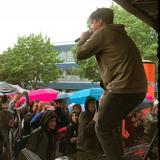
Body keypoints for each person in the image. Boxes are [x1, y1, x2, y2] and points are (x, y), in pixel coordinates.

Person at [76, 8, 147, 160]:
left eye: (92, 23)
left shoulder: (103, 32)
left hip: (122, 88)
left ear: (99, 21)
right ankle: (117, 156)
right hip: (138, 90)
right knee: (112, 124)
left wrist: (83, 38)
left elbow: (80, 54)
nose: (91, 26)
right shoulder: (122, 35)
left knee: (101, 127)